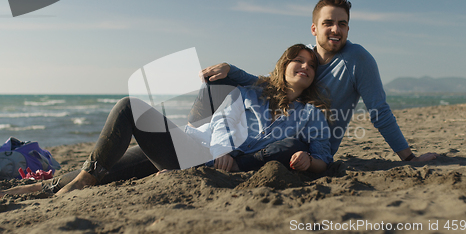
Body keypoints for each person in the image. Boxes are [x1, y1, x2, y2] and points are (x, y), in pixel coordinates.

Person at [0, 44, 333, 197]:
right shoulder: (254, 90)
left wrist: (308, 162)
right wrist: (222, 149)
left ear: (315, 75)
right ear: (283, 65)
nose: (304, 66)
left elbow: (323, 158)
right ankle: (44, 187)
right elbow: (221, 116)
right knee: (109, 168)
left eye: (310, 64)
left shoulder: (313, 115)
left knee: (129, 107)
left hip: (205, 163)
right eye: (296, 60)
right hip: (199, 148)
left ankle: (79, 182)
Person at [199, 0, 438, 162]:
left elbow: (379, 111)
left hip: (309, 144)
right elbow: (274, 85)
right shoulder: (305, 57)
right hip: (278, 130)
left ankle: (215, 155)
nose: (336, 29)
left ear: (348, 29)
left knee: (288, 145)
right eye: (328, 23)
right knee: (219, 80)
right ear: (314, 29)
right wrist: (232, 70)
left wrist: (408, 157)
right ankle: (196, 135)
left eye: (342, 24)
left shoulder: (357, 59)